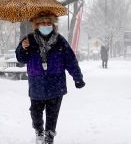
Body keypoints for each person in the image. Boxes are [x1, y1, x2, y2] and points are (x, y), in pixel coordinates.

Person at [16, 11, 85, 144]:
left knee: (52, 116)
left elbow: (70, 60)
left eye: (49, 23)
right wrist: (22, 48)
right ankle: (39, 131)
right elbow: (21, 59)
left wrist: (78, 78)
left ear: (53, 25)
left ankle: (49, 138)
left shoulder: (60, 40)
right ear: (37, 25)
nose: (46, 25)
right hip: (37, 84)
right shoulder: (28, 40)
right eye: (43, 23)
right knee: (35, 113)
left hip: (56, 84)